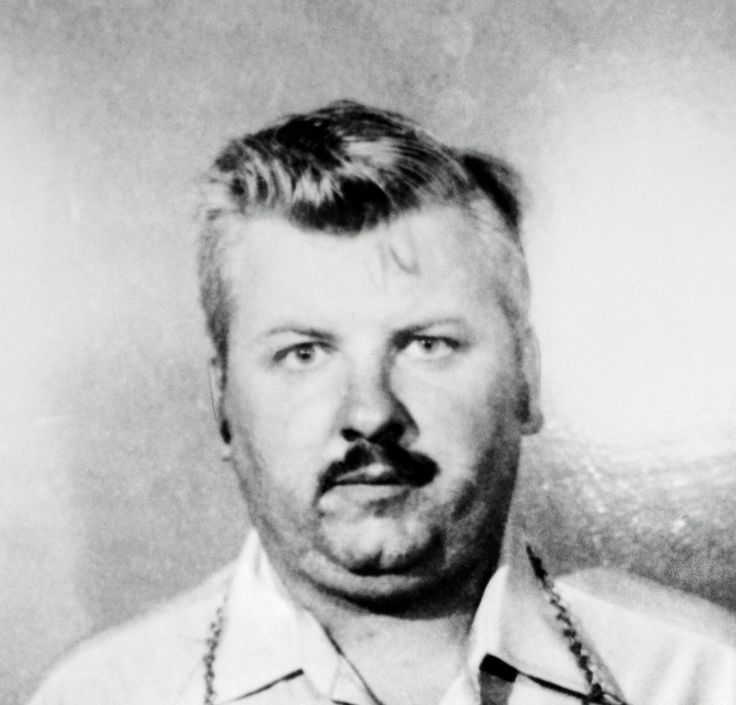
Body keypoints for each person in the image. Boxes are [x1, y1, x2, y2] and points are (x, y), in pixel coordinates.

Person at [29, 101, 736, 705]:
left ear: (528, 378)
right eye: (303, 352)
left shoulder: (702, 677)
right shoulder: (103, 694)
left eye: (427, 344)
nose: (369, 413)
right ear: (222, 401)